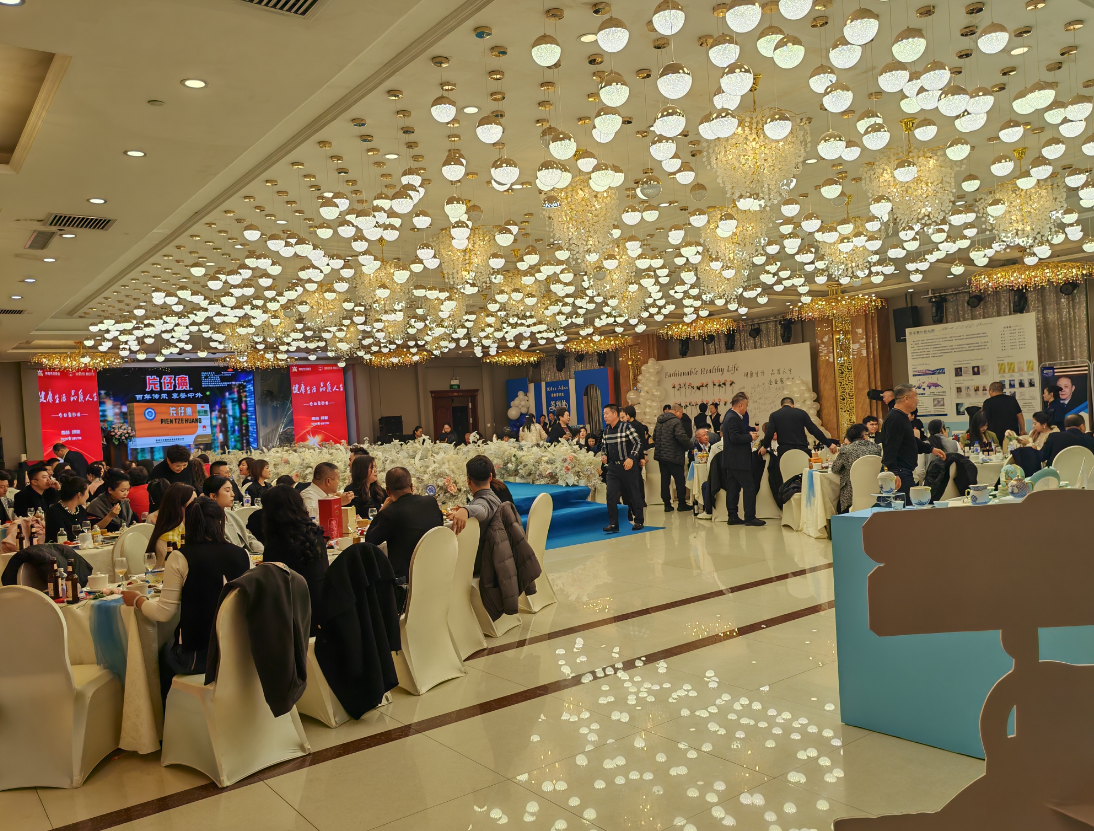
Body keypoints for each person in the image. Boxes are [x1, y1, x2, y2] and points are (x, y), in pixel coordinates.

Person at [122, 498, 250, 704]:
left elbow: (164, 613)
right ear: (222, 521)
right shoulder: (243, 554)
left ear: (187, 523)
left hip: (199, 658)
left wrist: (138, 600)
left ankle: (166, 716)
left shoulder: (181, 556)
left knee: (161, 652)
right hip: (239, 651)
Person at [261, 485, 327, 633]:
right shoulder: (314, 532)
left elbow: (274, 585)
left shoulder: (278, 542)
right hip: (321, 605)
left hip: (296, 616)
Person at [364, 466, 444, 582]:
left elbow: (370, 540)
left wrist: (382, 510)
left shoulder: (390, 512)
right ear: (411, 487)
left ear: (388, 492)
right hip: (435, 571)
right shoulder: (431, 502)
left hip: (405, 577)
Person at [761, 397, 838, 504]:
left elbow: (769, 433)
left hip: (785, 453)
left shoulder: (774, 415)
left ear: (781, 406)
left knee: (786, 480)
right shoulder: (801, 413)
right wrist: (829, 444)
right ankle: (809, 503)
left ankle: (787, 504)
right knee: (806, 480)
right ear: (793, 405)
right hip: (802, 452)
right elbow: (814, 430)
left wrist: (764, 446)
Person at [880, 384, 946, 502]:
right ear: (906, 398)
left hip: (904, 471)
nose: (917, 400)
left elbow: (910, 441)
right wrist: (893, 473)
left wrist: (931, 449)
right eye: (915, 396)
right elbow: (891, 447)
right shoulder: (895, 418)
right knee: (905, 508)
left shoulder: (901, 417)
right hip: (899, 472)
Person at [598, 403, 644, 532]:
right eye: (603, 414)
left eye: (607, 413)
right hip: (613, 467)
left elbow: (638, 443)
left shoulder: (626, 427)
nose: (605, 416)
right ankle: (613, 523)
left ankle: (639, 520)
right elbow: (604, 446)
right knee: (611, 495)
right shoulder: (606, 430)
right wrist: (604, 455)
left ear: (614, 414)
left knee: (633, 493)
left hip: (627, 466)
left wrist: (631, 458)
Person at [723, 392, 764, 526]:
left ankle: (732, 516)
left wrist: (747, 434)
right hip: (738, 459)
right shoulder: (733, 418)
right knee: (749, 487)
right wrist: (750, 437)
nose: (746, 409)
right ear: (740, 405)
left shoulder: (730, 416)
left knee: (733, 488)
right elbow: (735, 437)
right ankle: (750, 517)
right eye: (746, 406)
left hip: (732, 459)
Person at [448, 455, 507, 536]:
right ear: (490, 477)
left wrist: (465, 510)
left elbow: (482, 510)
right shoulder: (493, 497)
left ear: (468, 480)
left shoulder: (482, 500)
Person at [203, 475, 263, 553]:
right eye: (227, 491)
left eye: (232, 490)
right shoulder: (208, 519)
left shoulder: (231, 515)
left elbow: (246, 537)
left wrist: (261, 550)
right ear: (213, 496)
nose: (233, 494)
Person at [830, 424, 882, 513]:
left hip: (851, 495)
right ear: (864, 436)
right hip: (875, 491)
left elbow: (835, 469)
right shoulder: (877, 448)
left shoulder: (846, 450)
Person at [45, 477, 113, 542]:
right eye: (87, 492)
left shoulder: (80, 509)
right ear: (79, 494)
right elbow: (60, 537)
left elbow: (87, 530)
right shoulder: (54, 512)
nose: (88, 496)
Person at [146, 483, 196, 567]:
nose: (198, 507)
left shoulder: (185, 529)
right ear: (180, 507)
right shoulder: (167, 539)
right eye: (193, 504)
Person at [653, 403, 693, 512]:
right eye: (681, 413)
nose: (681, 416)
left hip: (661, 456)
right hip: (674, 456)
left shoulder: (659, 421)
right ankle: (681, 503)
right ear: (677, 412)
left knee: (665, 481)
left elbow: (654, 436)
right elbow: (681, 437)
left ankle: (667, 504)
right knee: (679, 480)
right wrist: (691, 446)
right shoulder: (676, 421)